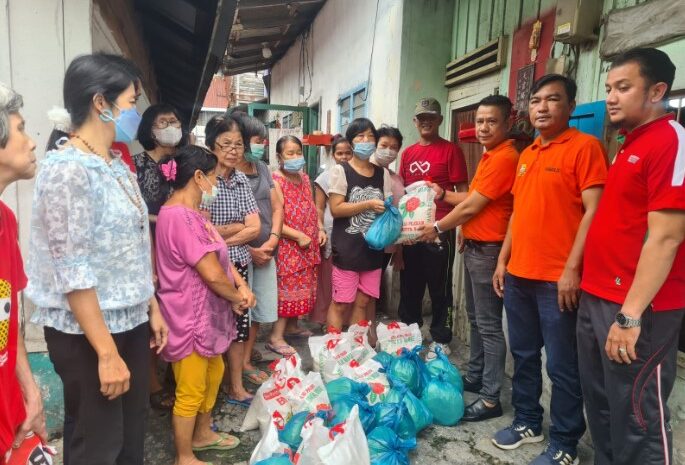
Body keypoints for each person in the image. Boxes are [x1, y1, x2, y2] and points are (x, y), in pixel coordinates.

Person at [25, 53, 168, 465]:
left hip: (129, 318)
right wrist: (106, 353)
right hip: (88, 332)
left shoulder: (115, 164)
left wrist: (150, 305)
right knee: (99, 442)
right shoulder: (69, 170)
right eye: (130, 100)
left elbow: (132, 246)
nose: (135, 112)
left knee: (130, 436)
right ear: (100, 103)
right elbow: (74, 271)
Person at [490, 75, 608, 465]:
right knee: (523, 355)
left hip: (557, 281)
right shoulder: (527, 156)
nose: (542, 107)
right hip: (520, 275)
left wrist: (573, 269)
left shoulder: (585, 148)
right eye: (536, 100)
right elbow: (518, 215)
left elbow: (595, 210)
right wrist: (503, 260)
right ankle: (527, 422)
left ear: (570, 106)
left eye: (552, 100)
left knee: (561, 365)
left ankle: (565, 442)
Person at [578, 48, 685, 465]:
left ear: (657, 90)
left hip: (638, 309)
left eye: (623, 87)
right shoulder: (629, 144)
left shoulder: (670, 142)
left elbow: (667, 238)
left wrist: (631, 315)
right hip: (599, 296)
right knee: (604, 408)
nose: (611, 97)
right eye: (608, 88)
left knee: (639, 419)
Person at [418, 95, 518, 422]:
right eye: (480, 121)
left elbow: (473, 207)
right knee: (477, 319)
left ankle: (491, 398)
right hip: (476, 247)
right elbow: (472, 197)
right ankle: (475, 376)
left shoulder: (505, 157)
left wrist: (437, 226)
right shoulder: (490, 156)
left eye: (492, 121)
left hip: (490, 250)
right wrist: (444, 194)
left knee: (489, 326)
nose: (484, 127)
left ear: (508, 123)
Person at [155, 146, 255, 465]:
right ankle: (184, 456)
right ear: (198, 177)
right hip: (189, 318)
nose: (216, 183)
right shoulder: (179, 216)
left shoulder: (198, 214)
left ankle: (203, 433)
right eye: (213, 177)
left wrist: (240, 285)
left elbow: (219, 256)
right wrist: (238, 296)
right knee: (191, 387)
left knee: (214, 373)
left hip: (209, 316)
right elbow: (211, 274)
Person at [397, 97, 468, 360]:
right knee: (409, 285)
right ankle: (410, 332)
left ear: (439, 120)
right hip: (411, 232)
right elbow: (402, 193)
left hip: (440, 229)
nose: (426, 121)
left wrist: (461, 228)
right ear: (415, 121)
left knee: (440, 287)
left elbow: (464, 194)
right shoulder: (408, 153)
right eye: (421, 117)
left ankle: (441, 338)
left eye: (431, 117)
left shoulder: (451, 151)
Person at [0, 82, 47, 462]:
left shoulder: (6, 220)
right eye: (20, 129)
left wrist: (29, 388)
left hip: (10, 408)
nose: (32, 142)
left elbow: (7, 317)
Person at [205, 115, 265, 404]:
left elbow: (253, 227)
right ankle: (208, 391)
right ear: (211, 145)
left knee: (239, 329)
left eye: (238, 144)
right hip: (208, 267)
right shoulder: (202, 179)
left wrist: (218, 237)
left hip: (240, 262)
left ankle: (236, 387)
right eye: (226, 144)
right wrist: (235, 228)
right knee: (212, 327)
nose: (233, 150)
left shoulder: (241, 179)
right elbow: (198, 231)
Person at [135, 103, 188, 411]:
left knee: (175, 311)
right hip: (149, 247)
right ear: (149, 129)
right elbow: (137, 213)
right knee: (150, 318)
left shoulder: (184, 162)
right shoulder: (136, 164)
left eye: (174, 120)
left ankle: (176, 375)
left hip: (180, 249)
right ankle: (152, 384)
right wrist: (167, 219)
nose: (171, 126)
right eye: (163, 121)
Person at [230, 112, 287, 374]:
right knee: (239, 311)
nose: (261, 145)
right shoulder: (226, 174)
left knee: (257, 310)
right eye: (256, 140)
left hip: (266, 250)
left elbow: (277, 207)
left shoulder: (262, 168)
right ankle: (235, 365)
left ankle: (245, 362)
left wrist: (273, 239)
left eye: (263, 141)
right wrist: (250, 250)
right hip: (238, 255)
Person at [327, 118, 394, 331]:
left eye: (371, 137)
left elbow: (387, 205)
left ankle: (356, 348)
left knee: (363, 302)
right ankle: (333, 351)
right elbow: (336, 208)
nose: (366, 140)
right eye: (360, 136)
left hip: (373, 248)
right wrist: (368, 204)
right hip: (347, 248)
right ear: (351, 142)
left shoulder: (382, 173)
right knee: (341, 302)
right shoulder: (341, 171)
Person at [270, 136, 323, 355]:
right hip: (289, 245)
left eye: (298, 152)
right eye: (289, 153)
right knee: (288, 291)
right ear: (279, 157)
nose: (295, 157)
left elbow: (311, 207)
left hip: (308, 244)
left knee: (303, 288)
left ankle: (292, 327)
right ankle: (275, 337)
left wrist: (320, 228)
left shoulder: (304, 177)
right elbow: (276, 217)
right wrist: (298, 236)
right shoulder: (275, 180)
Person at [312, 135, 353, 327]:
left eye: (348, 153)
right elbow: (319, 207)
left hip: (354, 234)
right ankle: (325, 321)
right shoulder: (325, 178)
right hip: (331, 232)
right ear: (333, 155)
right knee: (329, 280)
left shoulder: (358, 174)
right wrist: (320, 229)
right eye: (340, 153)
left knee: (349, 280)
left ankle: (346, 321)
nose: (344, 157)